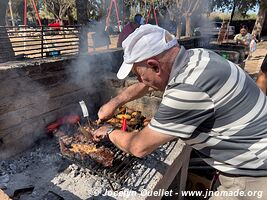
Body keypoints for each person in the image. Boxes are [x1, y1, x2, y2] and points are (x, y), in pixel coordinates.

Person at [94, 24, 267, 199]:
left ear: (155, 66)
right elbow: (146, 84)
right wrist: (115, 102)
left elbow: (139, 146)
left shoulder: (188, 88)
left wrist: (108, 132)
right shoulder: (197, 56)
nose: (139, 79)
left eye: (137, 74)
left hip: (254, 174)